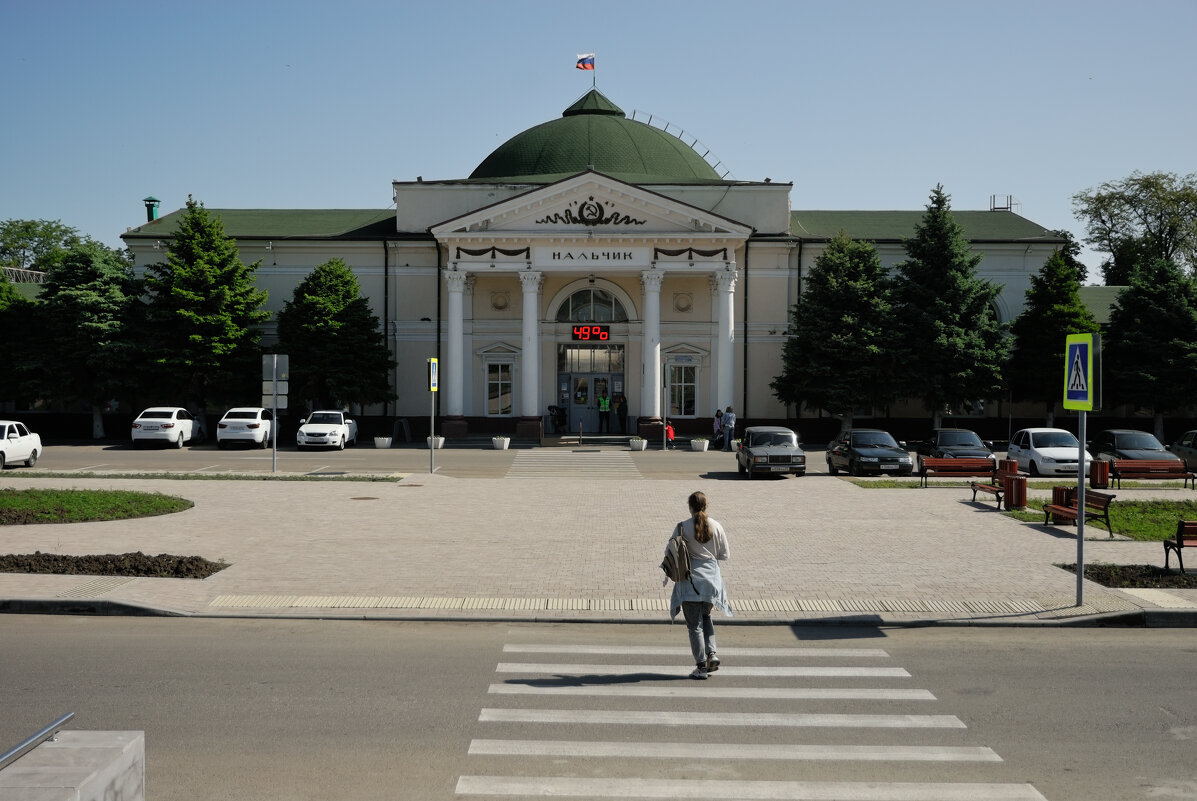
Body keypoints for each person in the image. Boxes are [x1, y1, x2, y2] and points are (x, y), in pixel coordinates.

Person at [664, 491, 732, 679]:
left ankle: (701, 667)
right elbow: (724, 555)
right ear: (706, 506)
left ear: (690, 507)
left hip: (690, 583)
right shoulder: (717, 526)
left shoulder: (682, 527)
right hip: (712, 582)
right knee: (707, 615)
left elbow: (669, 552)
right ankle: (712, 654)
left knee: (695, 626)